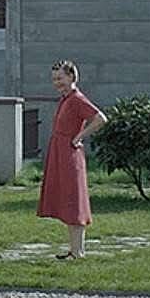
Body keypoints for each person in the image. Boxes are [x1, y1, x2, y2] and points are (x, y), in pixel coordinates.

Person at [37, 59, 107, 260]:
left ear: (71, 77)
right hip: (60, 152)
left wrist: (79, 137)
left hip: (70, 154)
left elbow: (100, 119)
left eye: (60, 78)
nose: (56, 83)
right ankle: (75, 250)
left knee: (74, 201)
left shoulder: (77, 99)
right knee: (67, 200)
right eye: (54, 79)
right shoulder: (65, 99)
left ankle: (78, 251)